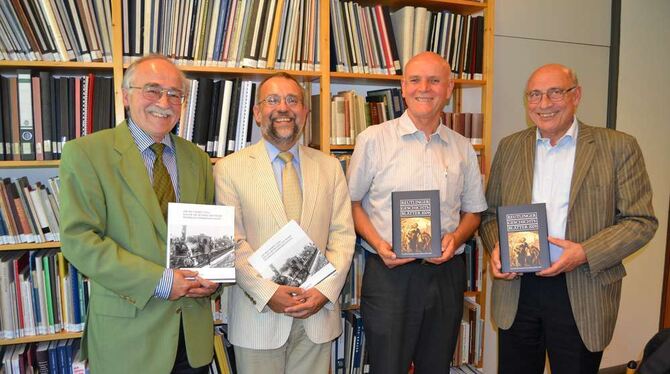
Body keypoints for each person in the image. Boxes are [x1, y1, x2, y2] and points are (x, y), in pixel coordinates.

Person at [480, 63, 658, 374]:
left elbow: (640, 221)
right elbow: (491, 215)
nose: (544, 104)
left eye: (554, 93)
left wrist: (584, 253)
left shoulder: (618, 147)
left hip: (582, 288)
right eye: (534, 95)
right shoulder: (510, 147)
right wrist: (498, 249)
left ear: (576, 96)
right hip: (518, 290)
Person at [60, 55, 218, 373]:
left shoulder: (197, 159)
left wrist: (214, 277)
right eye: (152, 90)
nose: (164, 102)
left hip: (192, 337)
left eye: (175, 94)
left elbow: (206, 236)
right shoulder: (87, 153)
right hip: (128, 340)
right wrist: (160, 281)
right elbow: (80, 241)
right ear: (126, 95)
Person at [347, 51, 487, 374]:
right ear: (403, 86)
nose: (425, 88)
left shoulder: (462, 147)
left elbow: (474, 213)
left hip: (445, 276)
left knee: (436, 367)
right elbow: (351, 205)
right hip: (389, 274)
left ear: (449, 88)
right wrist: (379, 245)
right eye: (415, 80)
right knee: (387, 367)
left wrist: (456, 237)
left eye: (434, 80)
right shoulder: (372, 140)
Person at [213, 72, 355, 374]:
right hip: (258, 316)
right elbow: (231, 243)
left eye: (293, 100)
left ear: (305, 112)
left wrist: (324, 291)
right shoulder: (228, 169)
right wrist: (268, 292)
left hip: (317, 316)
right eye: (273, 100)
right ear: (257, 113)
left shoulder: (330, 168)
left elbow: (343, 237)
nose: (283, 108)